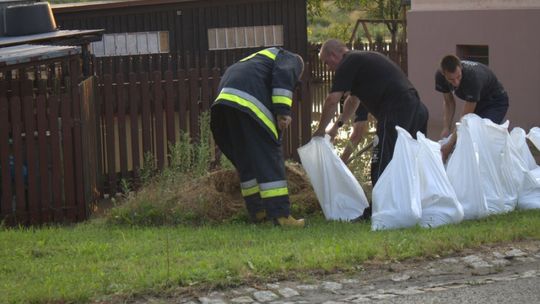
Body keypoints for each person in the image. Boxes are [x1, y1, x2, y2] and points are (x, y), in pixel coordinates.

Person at [313, 39, 429, 220]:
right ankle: (415, 203)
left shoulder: (348, 62)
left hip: (396, 107)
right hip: (416, 108)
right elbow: (353, 101)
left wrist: (320, 130)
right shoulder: (362, 60)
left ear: (333, 55)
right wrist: (337, 127)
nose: (329, 68)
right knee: (408, 159)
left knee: (381, 158)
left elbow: (331, 100)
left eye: (327, 63)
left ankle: (378, 210)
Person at [210, 47, 305, 227]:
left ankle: (258, 212)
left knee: (246, 160)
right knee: (269, 157)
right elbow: (284, 75)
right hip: (249, 101)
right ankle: (281, 216)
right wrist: (282, 112)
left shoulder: (258, 59)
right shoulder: (291, 58)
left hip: (225, 105)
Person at [436, 55, 509, 162]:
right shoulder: (439, 76)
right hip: (478, 101)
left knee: (482, 135)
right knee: (467, 135)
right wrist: (446, 127)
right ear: (443, 74)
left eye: (458, 77)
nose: (456, 82)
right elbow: (449, 102)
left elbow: (465, 117)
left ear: (461, 68)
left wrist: (450, 144)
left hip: (495, 102)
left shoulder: (472, 78)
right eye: (451, 79)